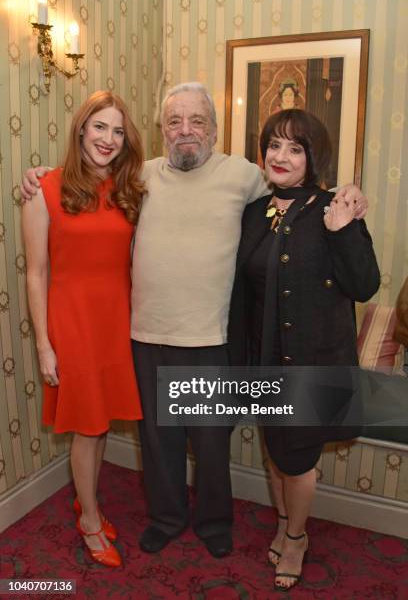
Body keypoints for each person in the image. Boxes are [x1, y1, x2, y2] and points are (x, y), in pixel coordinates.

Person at [20, 83, 368, 559]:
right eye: (175, 121)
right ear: (162, 129)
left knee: (210, 445)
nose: (186, 130)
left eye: (197, 120)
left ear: (215, 129)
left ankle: (213, 521)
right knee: (158, 443)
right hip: (145, 336)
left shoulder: (244, 175)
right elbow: (82, 185)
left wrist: (347, 192)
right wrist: (37, 175)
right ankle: (165, 518)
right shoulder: (136, 178)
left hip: (210, 338)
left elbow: (299, 184)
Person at [227, 108, 380, 589]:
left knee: (298, 460)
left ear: (313, 158)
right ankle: (282, 522)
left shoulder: (334, 208)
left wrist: (346, 229)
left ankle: (296, 536)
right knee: (277, 453)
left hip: (315, 364)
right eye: (273, 145)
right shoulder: (257, 212)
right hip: (264, 361)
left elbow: (364, 284)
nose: (280, 156)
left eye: (295, 148)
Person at [22, 91, 145, 567]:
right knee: (87, 426)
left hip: (117, 320)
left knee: (102, 422)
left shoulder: (128, 188)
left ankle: (85, 498)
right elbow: (36, 272)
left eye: (117, 131)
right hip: (72, 324)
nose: (108, 139)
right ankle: (90, 520)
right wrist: (43, 346)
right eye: (99, 128)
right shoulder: (45, 188)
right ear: (80, 129)